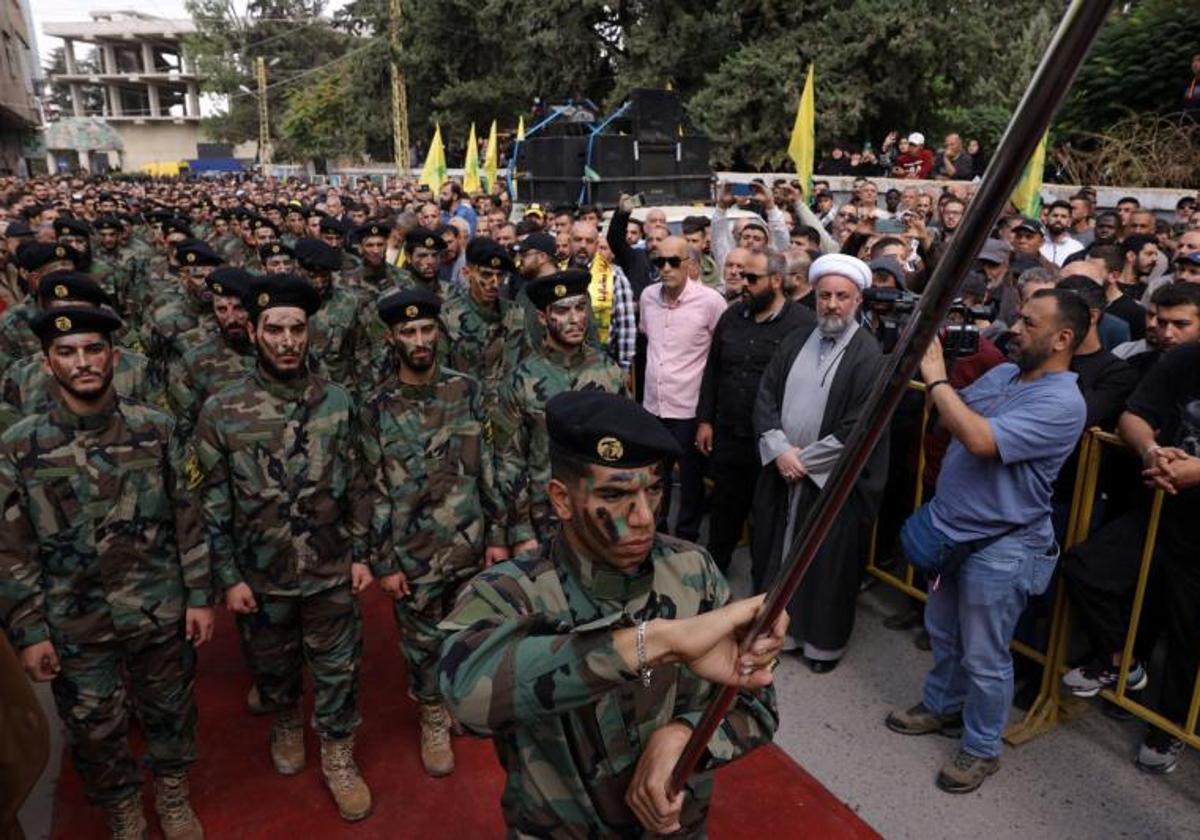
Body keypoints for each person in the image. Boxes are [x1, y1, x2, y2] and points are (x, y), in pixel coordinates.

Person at [438, 390, 784, 837]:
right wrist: (654, 642)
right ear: (561, 499)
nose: (644, 517)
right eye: (616, 495)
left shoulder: (693, 571)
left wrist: (684, 736)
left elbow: (757, 704)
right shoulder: (510, 593)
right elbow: (464, 697)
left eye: (655, 489)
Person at [0, 306, 208, 839]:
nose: (83, 362)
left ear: (113, 357)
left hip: (158, 608)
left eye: (93, 350)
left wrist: (201, 596)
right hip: (75, 621)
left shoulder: (157, 430)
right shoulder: (19, 447)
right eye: (67, 353)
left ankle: (173, 794)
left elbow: (190, 516)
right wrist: (28, 631)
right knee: (95, 725)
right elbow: (12, 548)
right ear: (48, 364)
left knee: (169, 708)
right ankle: (122, 807)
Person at [886, 289, 1088, 793]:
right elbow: (951, 417)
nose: (1014, 329)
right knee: (944, 631)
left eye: (1029, 323)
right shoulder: (1003, 374)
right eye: (1018, 317)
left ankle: (981, 747)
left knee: (985, 655)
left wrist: (937, 377)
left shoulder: (1063, 402)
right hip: (950, 533)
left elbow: (978, 438)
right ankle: (941, 706)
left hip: (1002, 547)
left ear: (1062, 338)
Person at [192, 274, 372, 822]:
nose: (288, 340)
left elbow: (363, 480)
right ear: (252, 331)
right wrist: (228, 577)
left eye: (297, 328)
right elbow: (211, 502)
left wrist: (363, 553)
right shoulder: (223, 410)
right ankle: (287, 721)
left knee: (339, 668)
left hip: (330, 565)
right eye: (275, 329)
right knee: (273, 665)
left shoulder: (338, 402)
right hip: (260, 571)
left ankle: (339, 755)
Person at [355, 288, 507, 777]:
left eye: (427, 330)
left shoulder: (467, 389)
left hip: (467, 541)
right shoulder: (376, 406)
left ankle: (457, 700)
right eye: (408, 332)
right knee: (421, 643)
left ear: (438, 332)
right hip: (412, 552)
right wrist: (384, 562)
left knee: (469, 632)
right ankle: (431, 714)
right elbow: (371, 488)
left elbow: (489, 468)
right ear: (391, 337)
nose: (420, 340)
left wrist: (497, 534)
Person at [751, 254, 889, 673]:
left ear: (858, 300)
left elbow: (861, 425)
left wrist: (805, 462)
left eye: (841, 297)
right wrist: (780, 451)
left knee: (826, 565)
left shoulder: (868, 354)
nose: (831, 305)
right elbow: (766, 396)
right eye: (825, 296)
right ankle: (779, 633)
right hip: (784, 467)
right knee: (775, 552)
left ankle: (821, 646)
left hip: (828, 480)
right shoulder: (795, 339)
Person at [1108, 338, 1200, 773]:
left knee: (1190, 637)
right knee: (1140, 604)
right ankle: (1123, 678)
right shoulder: (1188, 358)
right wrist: (1151, 451)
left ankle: (1169, 728)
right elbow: (1133, 415)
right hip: (1166, 516)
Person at [696, 248, 814, 573]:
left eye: (751, 278)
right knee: (723, 518)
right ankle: (712, 587)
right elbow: (713, 371)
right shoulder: (732, 316)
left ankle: (761, 599)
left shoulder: (802, 324)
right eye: (741, 276)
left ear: (776, 280)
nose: (742, 283)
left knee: (766, 525)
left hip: (772, 445)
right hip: (729, 437)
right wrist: (705, 419)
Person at [494, 271, 626, 550]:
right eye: (563, 311)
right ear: (543, 318)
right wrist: (520, 532)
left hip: (603, 512)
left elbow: (626, 446)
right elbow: (510, 463)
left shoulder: (609, 372)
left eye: (580, 308)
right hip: (546, 518)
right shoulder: (522, 380)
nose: (576, 318)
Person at [639, 236, 726, 542]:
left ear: (690, 264)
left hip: (690, 408)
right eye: (658, 262)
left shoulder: (712, 302)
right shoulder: (648, 297)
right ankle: (655, 535)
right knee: (653, 478)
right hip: (652, 407)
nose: (665, 268)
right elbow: (648, 339)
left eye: (673, 262)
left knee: (690, 482)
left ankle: (687, 541)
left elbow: (719, 358)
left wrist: (707, 418)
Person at [438, 237, 527, 410]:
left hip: (507, 411)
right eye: (486, 274)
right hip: (463, 412)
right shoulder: (447, 316)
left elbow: (527, 365)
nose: (494, 283)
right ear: (467, 272)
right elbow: (440, 375)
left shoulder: (516, 314)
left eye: (500, 275)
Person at [1040, 201, 1084, 266]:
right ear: (1047, 219)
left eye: (1063, 216)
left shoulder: (1077, 248)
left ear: (1069, 222)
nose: (1058, 219)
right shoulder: (1037, 244)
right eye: (1055, 215)